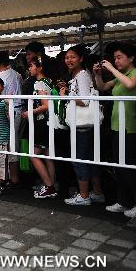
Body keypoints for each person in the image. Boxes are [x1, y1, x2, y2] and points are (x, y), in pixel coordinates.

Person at [94, 42, 136, 218]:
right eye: (115, 58)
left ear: (132, 58)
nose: (117, 60)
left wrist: (112, 68)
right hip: (116, 126)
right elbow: (103, 87)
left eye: (120, 57)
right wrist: (97, 74)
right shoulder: (122, 75)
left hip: (131, 127)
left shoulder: (134, 73)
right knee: (118, 167)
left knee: (130, 166)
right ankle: (124, 201)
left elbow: (129, 85)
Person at [56, 45, 105, 205]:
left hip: (81, 125)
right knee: (90, 158)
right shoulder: (79, 75)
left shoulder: (82, 75)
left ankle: (84, 196)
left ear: (81, 58)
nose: (69, 60)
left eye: (73, 57)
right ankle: (96, 193)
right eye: (67, 57)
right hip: (87, 125)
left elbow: (84, 101)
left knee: (79, 159)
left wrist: (65, 96)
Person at [0, 50, 23, 187]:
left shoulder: (1, 77)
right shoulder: (16, 74)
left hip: (6, 113)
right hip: (18, 110)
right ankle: (13, 177)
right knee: (13, 144)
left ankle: (9, 178)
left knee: (6, 146)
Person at [23, 57, 57, 199]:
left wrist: (29, 112)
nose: (29, 68)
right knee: (48, 156)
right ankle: (52, 185)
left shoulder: (38, 83)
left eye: (31, 66)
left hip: (42, 123)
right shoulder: (49, 81)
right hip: (51, 122)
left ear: (40, 68)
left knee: (33, 154)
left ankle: (49, 186)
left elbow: (45, 105)